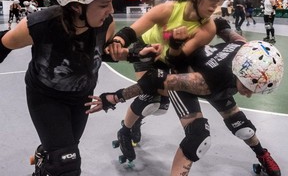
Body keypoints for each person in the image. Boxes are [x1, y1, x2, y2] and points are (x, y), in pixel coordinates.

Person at [88, 18, 284, 176]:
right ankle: (126, 129)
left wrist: (215, 23)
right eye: (248, 87)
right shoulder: (202, 82)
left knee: (244, 128)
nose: (249, 95)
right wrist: (115, 97)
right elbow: (154, 81)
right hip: (182, 75)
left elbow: (221, 25)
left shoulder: (244, 47)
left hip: (215, 78)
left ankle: (262, 155)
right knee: (196, 135)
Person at [0, 0, 136, 175]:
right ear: (76, 6)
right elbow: (2, 46)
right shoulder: (40, 25)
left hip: (82, 96)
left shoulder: (105, 24)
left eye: (111, 2)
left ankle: (45, 158)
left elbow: (95, 55)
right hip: (46, 96)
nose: (111, 10)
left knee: (66, 149)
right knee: (67, 164)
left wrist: (132, 54)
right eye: (103, 4)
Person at [103, 0, 229, 167]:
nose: (216, 5)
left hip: (169, 59)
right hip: (145, 49)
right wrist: (118, 40)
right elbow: (132, 31)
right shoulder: (168, 9)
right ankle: (125, 130)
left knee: (159, 107)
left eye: (219, 0)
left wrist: (176, 44)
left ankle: (134, 122)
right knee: (150, 97)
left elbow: (177, 59)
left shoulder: (208, 28)